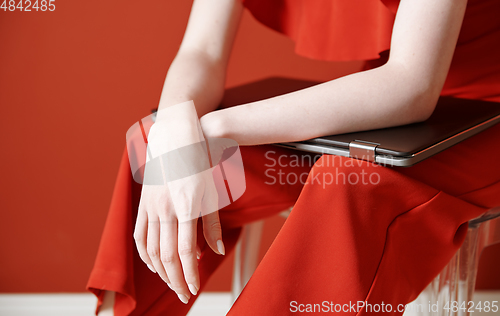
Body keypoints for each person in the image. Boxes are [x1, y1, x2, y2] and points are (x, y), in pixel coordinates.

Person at [88, 0, 500, 315]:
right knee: (153, 145)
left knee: (349, 180)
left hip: (483, 113)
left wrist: (211, 130)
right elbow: (202, 53)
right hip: (380, 112)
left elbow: (411, 84)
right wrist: (176, 127)